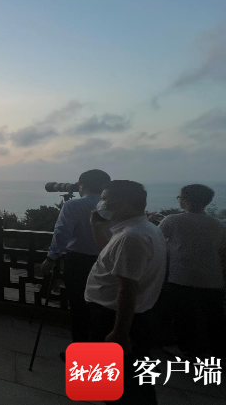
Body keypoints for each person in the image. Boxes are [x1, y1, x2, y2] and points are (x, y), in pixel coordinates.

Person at [85, 181, 166, 405]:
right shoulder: (140, 230)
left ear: (122, 203)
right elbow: (113, 260)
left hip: (113, 318)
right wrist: (96, 228)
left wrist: (119, 332)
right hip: (121, 315)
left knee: (121, 386)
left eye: (105, 199)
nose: (101, 204)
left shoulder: (132, 237)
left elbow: (127, 288)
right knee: (126, 381)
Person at [41, 169, 111, 357]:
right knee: (103, 307)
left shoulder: (73, 205)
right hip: (109, 261)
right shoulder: (113, 206)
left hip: (79, 261)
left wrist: (51, 257)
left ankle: (81, 353)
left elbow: (62, 233)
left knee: (79, 306)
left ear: (82, 185)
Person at [158, 184, 226, 359]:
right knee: (215, 318)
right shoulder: (217, 224)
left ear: (185, 200)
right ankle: (219, 353)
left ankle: (186, 350)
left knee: (183, 315)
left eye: (180, 197)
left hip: (181, 277)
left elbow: (157, 242)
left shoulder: (171, 221)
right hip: (212, 279)